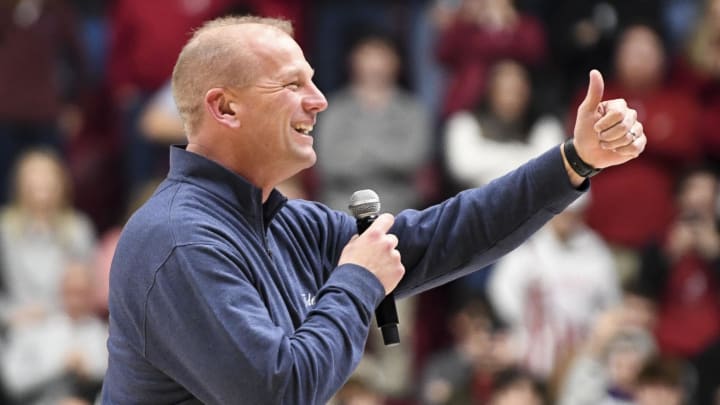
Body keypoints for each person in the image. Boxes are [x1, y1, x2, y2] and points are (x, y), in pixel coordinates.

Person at [102, 15, 646, 404]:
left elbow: (441, 237)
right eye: (293, 84)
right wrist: (357, 280)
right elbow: (277, 391)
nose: (320, 100)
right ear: (225, 107)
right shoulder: (179, 239)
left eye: (314, 81)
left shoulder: (284, 221)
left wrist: (573, 162)